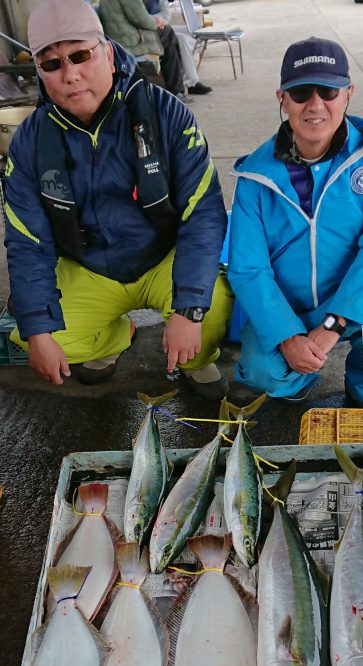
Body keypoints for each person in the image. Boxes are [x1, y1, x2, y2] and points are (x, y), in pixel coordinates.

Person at [4, 0, 233, 398]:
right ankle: (114, 337)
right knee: (33, 334)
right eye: (52, 64)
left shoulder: (167, 113)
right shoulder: (28, 141)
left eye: (80, 55)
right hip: (90, 265)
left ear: (108, 53)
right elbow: (27, 242)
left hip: (164, 256)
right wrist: (40, 329)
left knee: (210, 310)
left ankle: (195, 357)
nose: (71, 75)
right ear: (40, 72)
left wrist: (188, 309)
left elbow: (204, 213)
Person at [227, 36, 363, 405]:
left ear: (348, 94)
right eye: (300, 93)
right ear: (282, 98)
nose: (315, 105)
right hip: (290, 308)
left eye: (328, 91)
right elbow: (248, 269)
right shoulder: (253, 178)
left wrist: (335, 322)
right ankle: (300, 381)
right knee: (265, 374)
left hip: (355, 299)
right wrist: (287, 336)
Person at [99, 0, 190, 102]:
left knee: (169, 39)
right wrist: (157, 22)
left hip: (123, 38)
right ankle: (177, 90)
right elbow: (142, 19)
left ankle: (178, 87)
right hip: (129, 42)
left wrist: (156, 21)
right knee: (168, 35)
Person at [145, 0, 212, 95]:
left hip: (160, 27)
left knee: (182, 38)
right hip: (146, 31)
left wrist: (159, 21)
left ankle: (192, 82)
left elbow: (166, 14)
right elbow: (140, 17)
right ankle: (179, 87)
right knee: (171, 40)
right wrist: (155, 21)